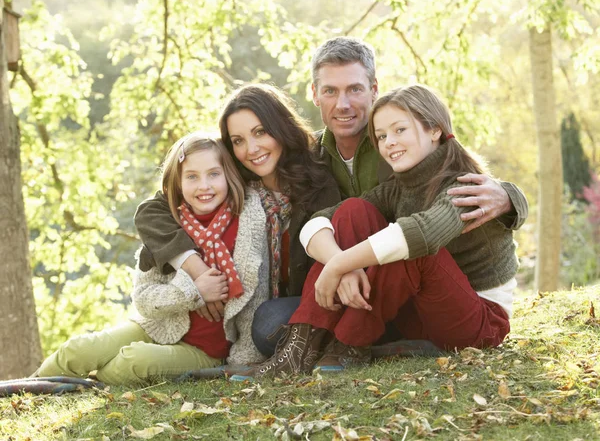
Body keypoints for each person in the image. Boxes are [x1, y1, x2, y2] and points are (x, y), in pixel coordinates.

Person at [250, 36, 528, 355]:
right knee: (268, 324)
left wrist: (509, 198)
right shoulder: (306, 157)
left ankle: (347, 345)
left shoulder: (412, 151)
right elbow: (312, 218)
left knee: (410, 247)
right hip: (367, 286)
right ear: (315, 94)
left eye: (354, 89)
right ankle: (334, 347)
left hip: (439, 292)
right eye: (330, 91)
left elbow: (433, 216)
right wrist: (340, 267)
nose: (343, 104)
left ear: (373, 89)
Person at [34, 134, 270, 385]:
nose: (204, 186)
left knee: (134, 361)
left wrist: (241, 362)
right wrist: (193, 292)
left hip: (205, 352)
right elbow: (144, 298)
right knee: (78, 349)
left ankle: (90, 383)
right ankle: (26, 388)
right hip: (156, 327)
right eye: (192, 176)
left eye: (214, 174)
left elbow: (257, 298)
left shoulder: (246, 223)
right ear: (176, 183)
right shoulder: (165, 228)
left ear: (228, 175)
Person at [133, 84, 341, 357]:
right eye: (238, 140)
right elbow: (151, 212)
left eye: (260, 132)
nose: (251, 149)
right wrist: (200, 275)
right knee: (266, 323)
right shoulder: (235, 184)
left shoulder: (316, 181)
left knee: (267, 322)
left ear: (280, 128)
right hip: (246, 315)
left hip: (305, 299)